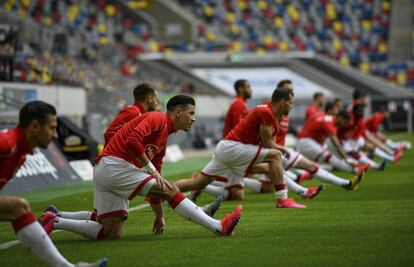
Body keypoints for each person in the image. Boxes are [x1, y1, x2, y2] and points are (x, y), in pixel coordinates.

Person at [41, 95, 242, 239]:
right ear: (178, 112)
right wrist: (151, 171)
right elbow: (132, 141)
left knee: (110, 232)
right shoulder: (157, 118)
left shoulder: (163, 140)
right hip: (115, 165)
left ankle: (55, 221)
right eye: (191, 113)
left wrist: (160, 216)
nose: (194, 118)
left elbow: (158, 183)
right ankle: (218, 227)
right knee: (170, 189)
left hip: (109, 170)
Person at [0, 101, 106, 267]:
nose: (56, 134)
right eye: (51, 127)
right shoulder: (6, 144)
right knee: (18, 207)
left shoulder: (20, 155)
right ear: (35, 126)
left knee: (17, 209)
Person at [175, 88, 306, 208]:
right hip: (233, 147)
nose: (292, 106)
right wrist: (283, 149)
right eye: (291, 102)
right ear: (282, 102)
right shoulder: (266, 112)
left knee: (198, 184)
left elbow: (266, 142)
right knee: (275, 156)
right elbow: (267, 143)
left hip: (229, 148)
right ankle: (283, 199)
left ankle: (160, 193)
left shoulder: (271, 117)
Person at [296, 109, 366, 187]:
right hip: (307, 142)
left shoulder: (324, 117)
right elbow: (336, 144)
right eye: (345, 122)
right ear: (340, 117)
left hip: (304, 141)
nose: (345, 125)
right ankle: (356, 172)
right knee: (329, 158)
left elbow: (311, 120)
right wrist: (346, 159)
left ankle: (299, 176)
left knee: (316, 167)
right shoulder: (330, 123)